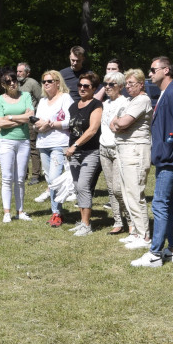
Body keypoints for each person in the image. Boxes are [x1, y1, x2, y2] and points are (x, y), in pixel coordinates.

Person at [131, 57, 173, 267]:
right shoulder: (165, 93)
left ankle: (155, 253)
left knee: (159, 203)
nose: (149, 74)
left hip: (170, 156)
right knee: (170, 203)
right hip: (167, 155)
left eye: (152, 70)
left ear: (166, 70)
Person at [110, 68, 152, 244]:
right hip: (124, 148)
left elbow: (123, 122)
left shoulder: (142, 100)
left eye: (131, 83)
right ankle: (135, 232)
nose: (127, 86)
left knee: (135, 193)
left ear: (141, 84)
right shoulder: (129, 100)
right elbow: (113, 122)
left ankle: (144, 235)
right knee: (126, 193)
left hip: (135, 150)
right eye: (126, 83)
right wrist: (118, 123)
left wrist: (119, 123)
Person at [64, 71, 103, 236]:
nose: (82, 88)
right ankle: (82, 222)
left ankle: (87, 226)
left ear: (93, 88)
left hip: (91, 151)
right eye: (80, 85)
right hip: (74, 152)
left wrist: (75, 145)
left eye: (86, 86)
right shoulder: (73, 106)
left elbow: (92, 130)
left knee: (83, 186)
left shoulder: (96, 105)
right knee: (77, 186)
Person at [33, 70, 73, 227]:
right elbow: (36, 121)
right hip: (43, 143)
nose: (46, 84)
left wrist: (52, 124)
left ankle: (57, 213)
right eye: (44, 82)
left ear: (58, 82)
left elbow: (70, 121)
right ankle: (56, 211)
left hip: (59, 143)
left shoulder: (65, 98)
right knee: (50, 179)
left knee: (55, 179)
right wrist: (40, 126)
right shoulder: (42, 101)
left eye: (50, 81)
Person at [0, 67, 35, 223]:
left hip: (23, 141)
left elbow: (30, 116)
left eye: (14, 80)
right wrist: (21, 119)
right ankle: (7, 212)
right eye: (8, 81)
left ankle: (20, 211)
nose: (12, 83)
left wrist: (10, 117)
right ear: (3, 84)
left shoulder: (25, 96)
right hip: (6, 142)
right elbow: (0, 123)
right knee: (7, 178)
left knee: (20, 179)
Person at [98, 70, 131, 234]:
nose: (107, 87)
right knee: (111, 188)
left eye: (111, 84)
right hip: (103, 148)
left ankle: (131, 221)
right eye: (105, 84)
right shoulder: (105, 103)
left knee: (119, 189)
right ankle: (118, 221)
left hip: (118, 148)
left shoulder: (125, 103)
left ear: (120, 87)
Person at [17, 63, 44, 184]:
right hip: (19, 120)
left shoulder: (33, 83)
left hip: (30, 120)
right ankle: (23, 174)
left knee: (33, 147)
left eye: (21, 72)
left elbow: (41, 99)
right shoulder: (15, 84)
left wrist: (36, 116)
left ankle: (35, 175)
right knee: (21, 147)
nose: (18, 74)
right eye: (17, 71)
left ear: (27, 73)